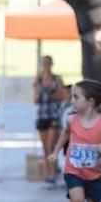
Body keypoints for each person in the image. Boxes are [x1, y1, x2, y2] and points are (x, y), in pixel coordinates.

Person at [33, 56, 66, 187]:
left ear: (52, 64)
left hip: (53, 115)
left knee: (51, 145)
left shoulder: (56, 79)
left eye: (48, 63)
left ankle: (54, 172)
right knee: (45, 147)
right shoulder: (38, 79)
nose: (46, 65)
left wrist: (51, 92)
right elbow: (35, 99)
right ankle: (49, 174)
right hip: (42, 115)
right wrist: (38, 89)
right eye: (44, 63)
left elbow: (62, 95)